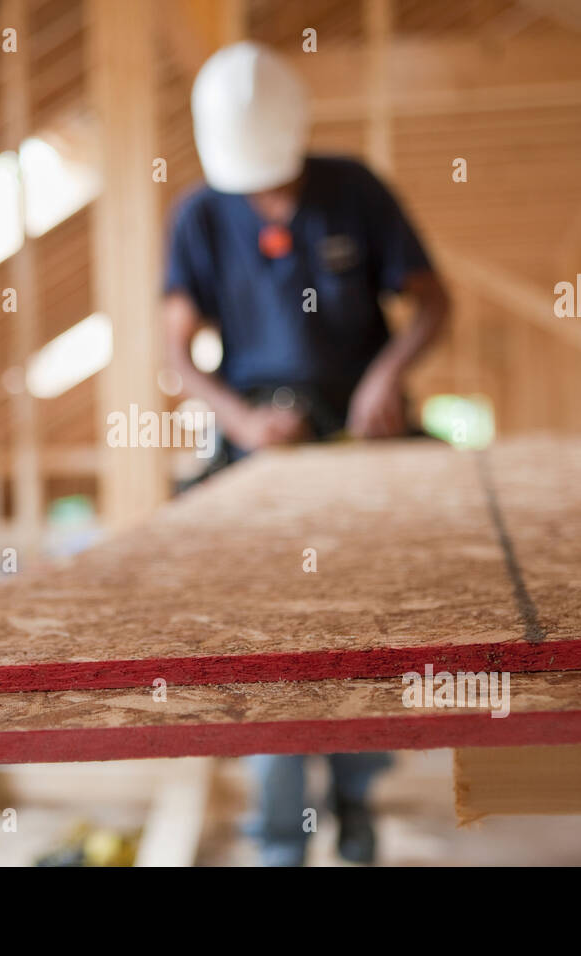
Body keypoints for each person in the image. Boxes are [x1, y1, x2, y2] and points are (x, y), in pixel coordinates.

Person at [161, 42, 450, 866]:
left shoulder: (354, 190)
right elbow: (178, 352)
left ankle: (357, 808)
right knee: (273, 649)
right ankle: (281, 839)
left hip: (363, 446)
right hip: (260, 457)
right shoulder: (199, 216)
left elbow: (433, 303)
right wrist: (243, 422)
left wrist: (385, 377)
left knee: (367, 637)